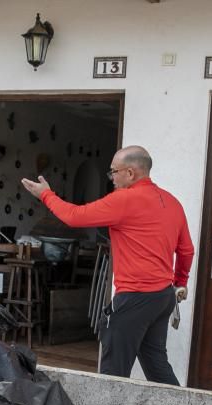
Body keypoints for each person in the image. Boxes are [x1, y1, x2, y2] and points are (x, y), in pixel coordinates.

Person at [21, 145, 194, 385]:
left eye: (114, 171)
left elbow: (74, 216)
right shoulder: (172, 202)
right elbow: (187, 250)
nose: (111, 177)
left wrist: (46, 195)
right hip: (162, 297)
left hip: (134, 298)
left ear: (131, 173)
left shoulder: (124, 200)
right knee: (157, 366)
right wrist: (179, 283)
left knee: (113, 376)